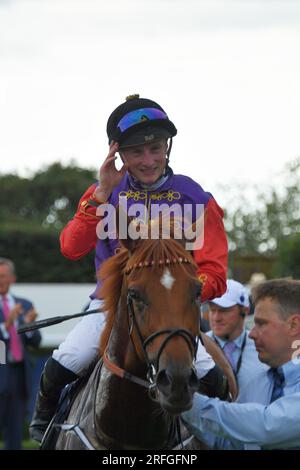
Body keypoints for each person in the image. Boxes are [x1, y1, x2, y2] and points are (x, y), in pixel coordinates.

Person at [30, 94, 229, 442]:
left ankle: (225, 436)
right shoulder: (103, 192)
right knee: (66, 360)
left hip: (174, 311)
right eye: (137, 152)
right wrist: (102, 192)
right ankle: (47, 427)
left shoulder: (195, 196)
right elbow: (71, 247)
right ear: (117, 154)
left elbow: (215, 271)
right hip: (110, 307)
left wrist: (179, 289)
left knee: (211, 377)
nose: (149, 160)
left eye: (156, 149)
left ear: (168, 146)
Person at [182, 279, 300, 450]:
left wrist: (185, 401)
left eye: (261, 323)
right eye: (213, 310)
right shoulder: (264, 380)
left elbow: (266, 427)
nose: (251, 333)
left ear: (294, 325)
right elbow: (235, 443)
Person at [0, 258, 41, 450]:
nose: (0, 280)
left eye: (3, 276)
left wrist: (25, 324)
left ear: (12, 278)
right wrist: (7, 326)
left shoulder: (24, 304)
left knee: (15, 434)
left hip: (18, 376)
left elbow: (36, 340)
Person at [206, 279, 267, 400]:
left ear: (245, 311)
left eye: (224, 311)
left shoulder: (264, 346)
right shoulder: (197, 347)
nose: (216, 318)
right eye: (212, 310)